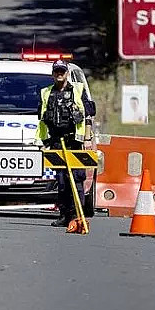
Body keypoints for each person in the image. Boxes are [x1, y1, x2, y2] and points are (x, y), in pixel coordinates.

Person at [35, 59, 95, 227]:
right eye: (57, 71)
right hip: (56, 142)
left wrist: (88, 139)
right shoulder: (46, 93)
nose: (59, 74)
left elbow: (87, 116)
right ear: (53, 74)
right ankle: (64, 214)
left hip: (74, 141)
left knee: (76, 179)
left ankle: (77, 215)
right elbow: (41, 119)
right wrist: (43, 141)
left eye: (62, 71)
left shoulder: (78, 90)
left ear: (67, 73)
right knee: (61, 181)